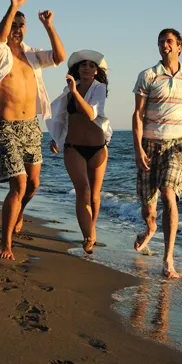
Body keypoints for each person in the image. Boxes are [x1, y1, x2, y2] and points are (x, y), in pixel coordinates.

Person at [0, 0, 66, 260]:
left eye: (21, 26)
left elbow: (59, 57)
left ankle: (19, 212)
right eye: (13, 25)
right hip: (6, 126)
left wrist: (49, 25)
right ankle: (5, 242)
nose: (17, 30)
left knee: (34, 184)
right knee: (18, 184)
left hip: (31, 126)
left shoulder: (31, 55)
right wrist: (13, 7)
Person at [132, 28, 182, 278]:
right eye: (161, 42)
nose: (164, 45)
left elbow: (178, 109)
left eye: (169, 41)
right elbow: (138, 114)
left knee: (169, 194)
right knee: (148, 208)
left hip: (176, 145)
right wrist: (137, 148)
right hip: (149, 144)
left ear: (179, 46)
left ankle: (168, 260)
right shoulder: (148, 76)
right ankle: (150, 229)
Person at [46, 49, 111, 255]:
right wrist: (57, 138)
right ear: (77, 68)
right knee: (82, 190)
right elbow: (61, 117)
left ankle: (91, 229)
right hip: (73, 147)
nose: (87, 68)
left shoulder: (99, 88)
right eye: (83, 64)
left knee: (94, 196)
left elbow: (91, 112)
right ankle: (88, 236)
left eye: (92, 65)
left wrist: (75, 92)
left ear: (96, 71)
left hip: (98, 148)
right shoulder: (68, 91)